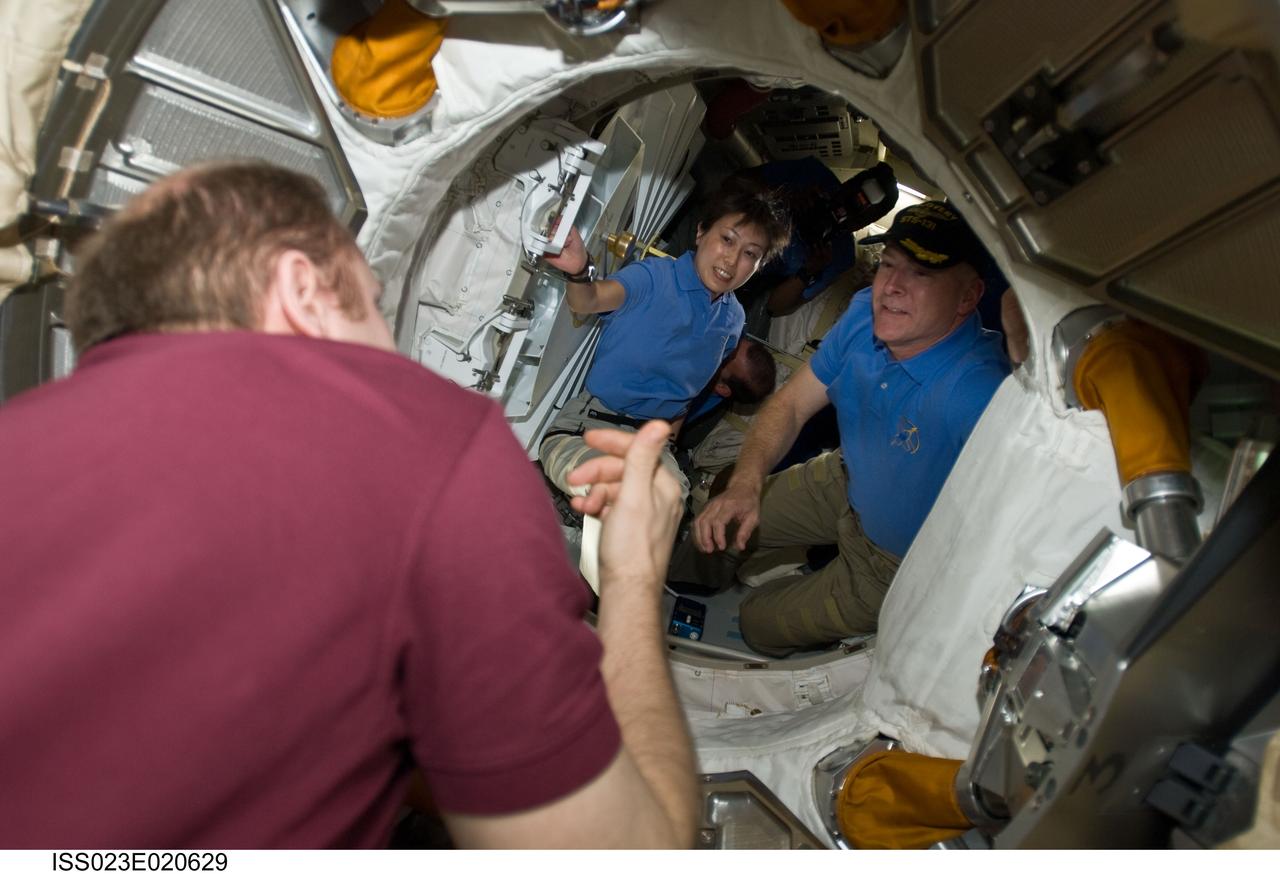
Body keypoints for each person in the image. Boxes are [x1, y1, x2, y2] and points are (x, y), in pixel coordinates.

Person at [0, 161, 697, 849]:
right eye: (369, 301)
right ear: (302, 287)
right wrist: (633, 578)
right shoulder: (428, 446)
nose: (388, 344)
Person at [686, 201, 1011, 656]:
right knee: (718, 521)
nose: (892, 287)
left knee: (757, 623)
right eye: (890, 265)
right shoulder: (864, 315)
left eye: (921, 275)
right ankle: (680, 579)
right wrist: (744, 484)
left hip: (893, 558)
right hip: (844, 478)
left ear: (967, 297)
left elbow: (1002, 534)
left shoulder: (979, 396)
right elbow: (793, 405)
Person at [538, 181, 789, 499]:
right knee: (626, 498)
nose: (731, 259)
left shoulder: (733, 320)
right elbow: (588, 301)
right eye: (727, 240)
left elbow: (685, 391)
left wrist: (669, 441)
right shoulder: (654, 277)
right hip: (587, 429)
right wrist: (578, 272)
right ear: (701, 233)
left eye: (749, 254)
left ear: (758, 266)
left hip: (649, 445)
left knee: (671, 504)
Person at [740, 158, 897, 319]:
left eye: (857, 219)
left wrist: (807, 271)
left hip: (747, 282)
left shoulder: (839, 255)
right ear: (846, 184)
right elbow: (735, 182)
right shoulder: (811, 175)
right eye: (846, 202)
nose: (843, 214)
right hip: (731, 234)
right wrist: (779, 196)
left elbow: (775, 308)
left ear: (865, 224)